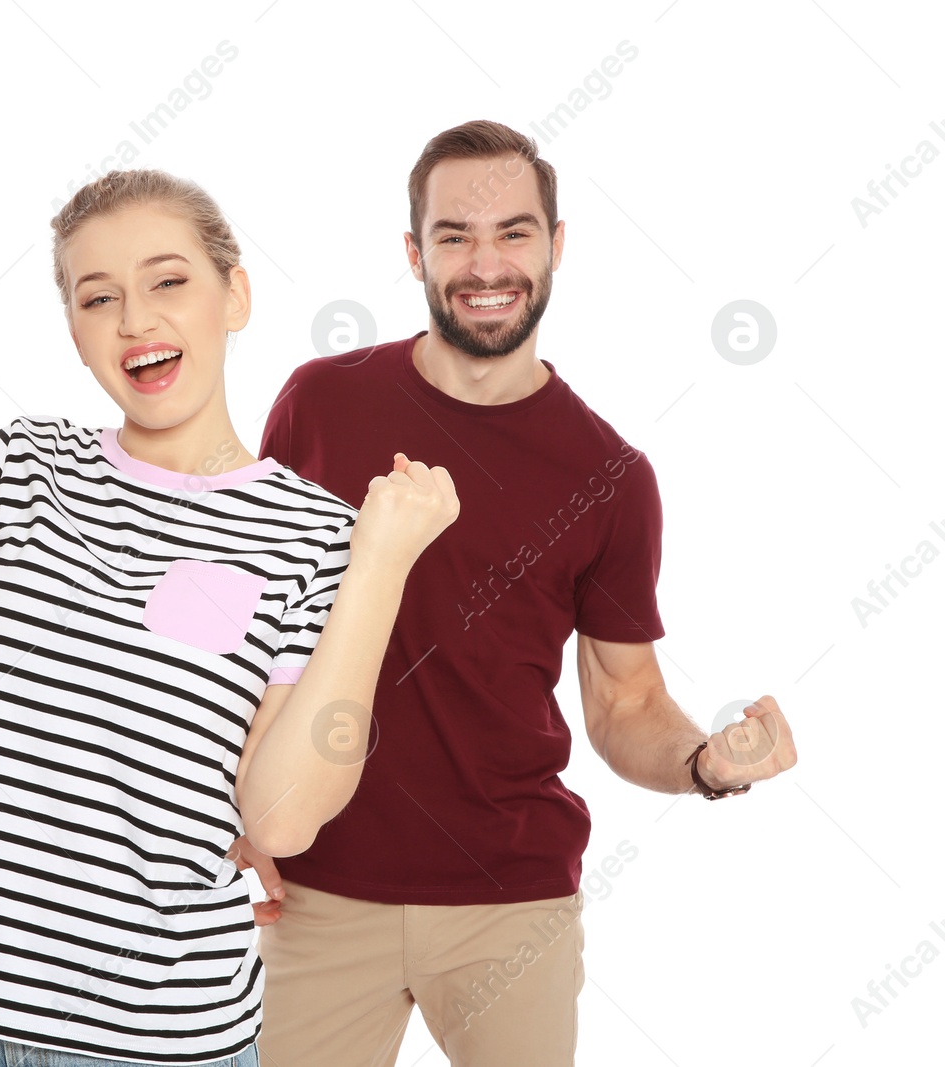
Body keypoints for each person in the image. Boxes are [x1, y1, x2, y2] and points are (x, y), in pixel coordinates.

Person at [0, 169, 459, 1066]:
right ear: (75, 331)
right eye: (98, 297)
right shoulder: (13, 469)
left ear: (234, 295)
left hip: (156, 1042)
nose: (134, 321)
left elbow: (278, 818)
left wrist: (382, 566)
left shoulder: (317, 536)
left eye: (168, 282)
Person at [251, 119, 800, 1066]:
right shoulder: (318, 403)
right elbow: (246, 629)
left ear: (555, 245)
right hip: (316, 893)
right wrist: (229, 809)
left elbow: (625, 701)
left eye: (513, 231)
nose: (485, 262)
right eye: (455, 235)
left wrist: (708, 762)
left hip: (511, 902)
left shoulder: (611, 474)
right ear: (414, 252)